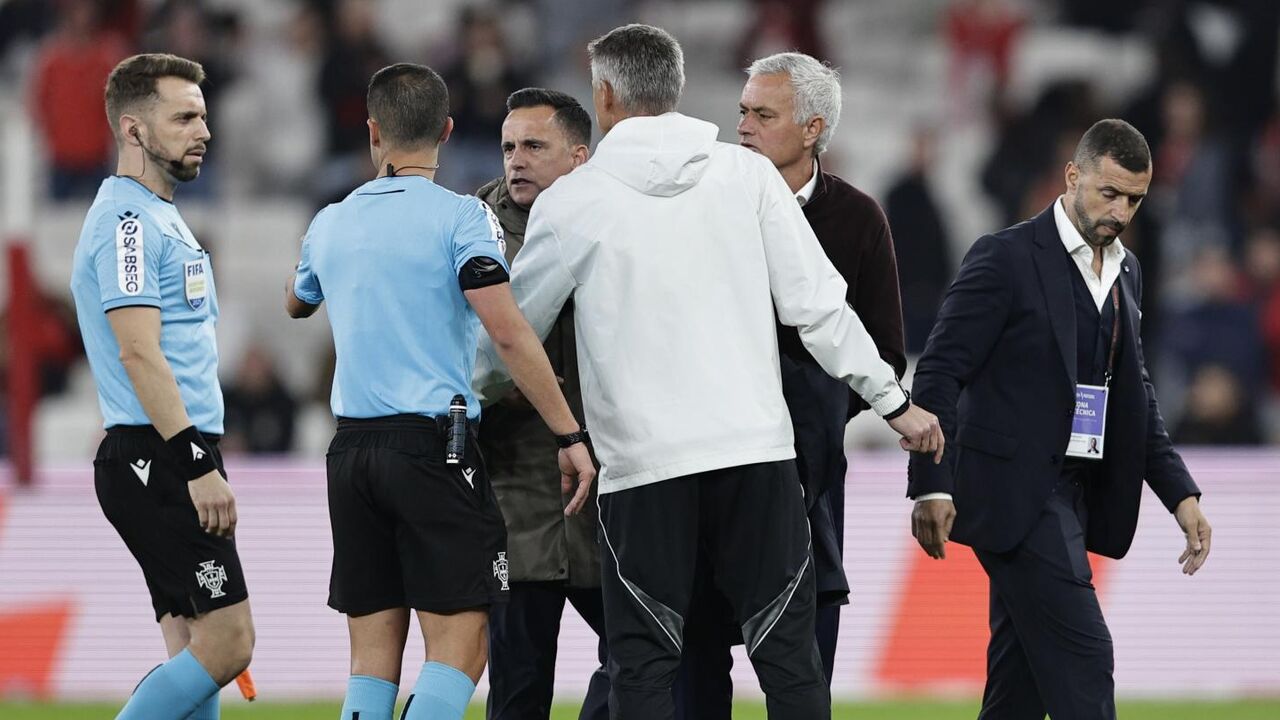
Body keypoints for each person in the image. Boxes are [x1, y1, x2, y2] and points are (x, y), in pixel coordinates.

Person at [474, 24, 942, 720]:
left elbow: (510, 338)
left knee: (648, 666)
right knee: (789, 663)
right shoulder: (747, 175)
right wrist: (896, 404)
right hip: (757, 460)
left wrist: (478, 391)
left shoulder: (576, 201)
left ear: (603, 94)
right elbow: (820, 310)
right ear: (677, 88)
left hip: (644, 472)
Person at [285, 63, 595, 720]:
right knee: (461, 644)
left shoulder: (330, 222)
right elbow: (508, 332)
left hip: (351, 454)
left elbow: (297, 301)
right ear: (448, 132)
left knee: (371, 660)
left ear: (372, 131)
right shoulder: (464, 218)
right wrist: (569, 432)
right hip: (434, 448)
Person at [909, 119, 1213, 720]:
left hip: (1076, 491)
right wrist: (932, 483)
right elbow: (940, 372)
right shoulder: (1005, 257)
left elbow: (1136, 396)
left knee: (1016, 693)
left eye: (1134, 199)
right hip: (1013, 493)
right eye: (1109, 193)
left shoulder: (1127, 272)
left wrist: (1180, 494)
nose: (1121, 211)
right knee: (1085, 659)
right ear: (1073, 176)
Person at [673, 51, 908, 717]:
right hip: (704, 473)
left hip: (807, 483)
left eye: (762, 114)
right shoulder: (697, 203)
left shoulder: (856, 218)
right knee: (695, 673)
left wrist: (814, 408)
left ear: (812, 128)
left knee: (805, 676)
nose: (742, 124)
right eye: (742, 110)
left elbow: (885, 353)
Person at [68, 53, 254, 720]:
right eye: (182, 117)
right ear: (133, 130)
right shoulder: (127, 224)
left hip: (167, 449)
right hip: (161, 454)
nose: (202, 130)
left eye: (202, 115)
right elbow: (139, 353)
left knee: (194, 648)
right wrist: (196, 462)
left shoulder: (158, 214)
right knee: (230, 644)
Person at [475, 87, 610, 720]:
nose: (516, 160)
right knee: (518, 690)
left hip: (601, 492)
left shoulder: (615, 221)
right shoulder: (468, 228)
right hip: (511, 496)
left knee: (645, 659)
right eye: (508, 147)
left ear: (580, 156)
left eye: (534, 146)